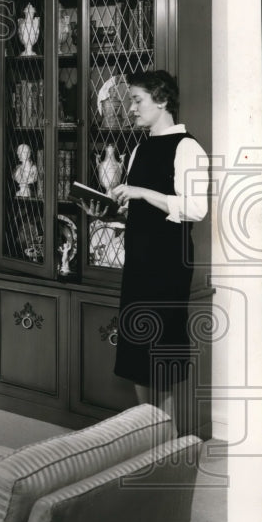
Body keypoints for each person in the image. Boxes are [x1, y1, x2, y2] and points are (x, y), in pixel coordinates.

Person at [81, 71, 208, 427]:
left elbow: (195, 208)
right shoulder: (140, 148)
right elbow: (138, 208)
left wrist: (140, 193)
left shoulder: (188, 148)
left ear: (162, 101)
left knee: (162, 349)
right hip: (138, 258)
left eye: (137, 100)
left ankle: (165, 440)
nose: (131, 108)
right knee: (137, 347)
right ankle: (147, 430)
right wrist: (109, 209)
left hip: (168, 263)